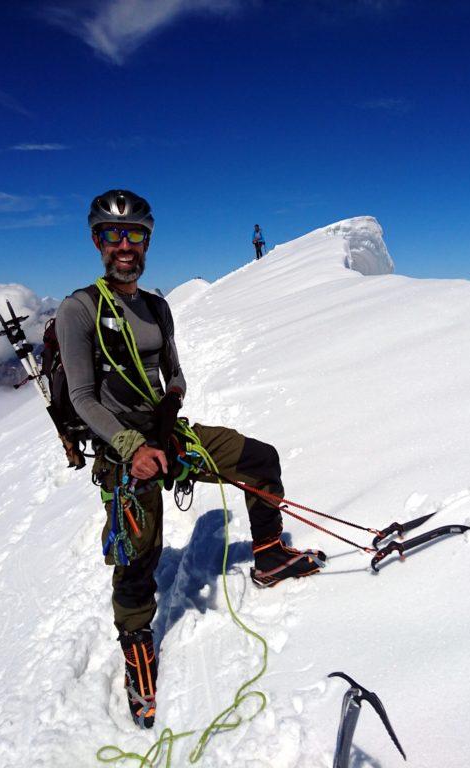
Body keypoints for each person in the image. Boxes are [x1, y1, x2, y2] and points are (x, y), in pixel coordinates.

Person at [55, 189, 325, 729]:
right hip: (122, 450)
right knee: (137, 552)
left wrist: (169, 409)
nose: (125, 246)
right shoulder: (79, 310)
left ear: (148, 241)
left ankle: (269, 559)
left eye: (135, 235)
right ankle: (137, 651)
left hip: (166, 434)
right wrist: (133, 448)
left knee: (259, 459)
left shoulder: (157, 306)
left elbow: (173, 373)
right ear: (97, 242)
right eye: (113, 235)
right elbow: (84, 399)